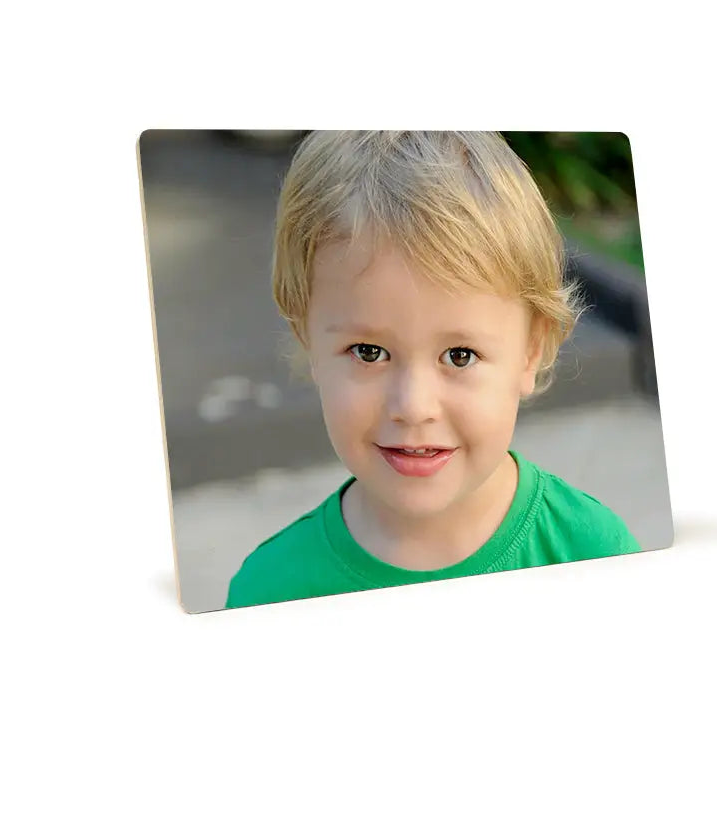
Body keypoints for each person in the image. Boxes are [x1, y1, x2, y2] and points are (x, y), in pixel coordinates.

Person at [226, 131, 640, 609]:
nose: (413, 407)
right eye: (367, 352)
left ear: (532, 350)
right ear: (308, 340)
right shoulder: (269, 591)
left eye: (459, 355)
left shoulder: (594, 554)